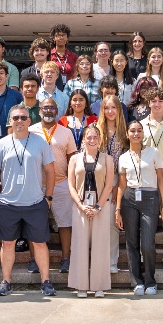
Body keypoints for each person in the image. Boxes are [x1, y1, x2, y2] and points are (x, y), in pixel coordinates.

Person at [0, 105, 58, 297]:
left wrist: (48, 197)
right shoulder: (1, 144)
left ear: (29, 121)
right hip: (8, 204)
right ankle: (6, 281)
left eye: (23, 118)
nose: (19, 121)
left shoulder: (40, 142)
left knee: (40, 243)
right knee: (8, 244)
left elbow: (50, 171)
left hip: (35, 203)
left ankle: (46, 281)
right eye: (15, 118)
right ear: (9, 121)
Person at [115, 120, 163, 295]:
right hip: (129, 198)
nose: (136, 134)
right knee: (131, 242)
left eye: (139, 130)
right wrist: (117, 209)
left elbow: (161, 180)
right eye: (132, 131)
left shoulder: (153, 153)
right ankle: (136, 281)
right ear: (128, 134)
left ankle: (150, 281)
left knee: (147, 243)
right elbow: (121, 186)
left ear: (143, 133)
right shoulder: (123, 157)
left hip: (150, 197)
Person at [29, 98, 79, 273]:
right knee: (34, 223)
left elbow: (73, 159)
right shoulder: (30, 131)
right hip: (36, 184)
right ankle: (34, 259)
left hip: (60, 183)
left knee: (65, 223)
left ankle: (66, 258)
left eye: (52, 107)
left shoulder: (66, 132)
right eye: (45, 107)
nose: (48, 110)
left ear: (57, 110)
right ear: (39, 110)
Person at [67, 125, 115, 297]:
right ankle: (80, 286)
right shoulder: (74, 159)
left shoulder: (107, 159)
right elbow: (71, 185)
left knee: (100, 245)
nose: (92, 140)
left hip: (100, 205)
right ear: (84, 139)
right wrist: (81, 205)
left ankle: (98, 285)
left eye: (95, 137)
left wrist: (98, 207)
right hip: (80, 205)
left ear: (100, 139)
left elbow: (109, 185)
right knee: (79, 245)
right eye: (89, 137)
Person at [95, 94, 128, 272]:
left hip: (118, 178)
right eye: (106, 108)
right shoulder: (95, 129)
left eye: (113, 107)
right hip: (98, 177)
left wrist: (117, 185)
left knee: (113, 222)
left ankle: (111, 261)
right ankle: (96, 260)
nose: (110, 111)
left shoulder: (125, 131)